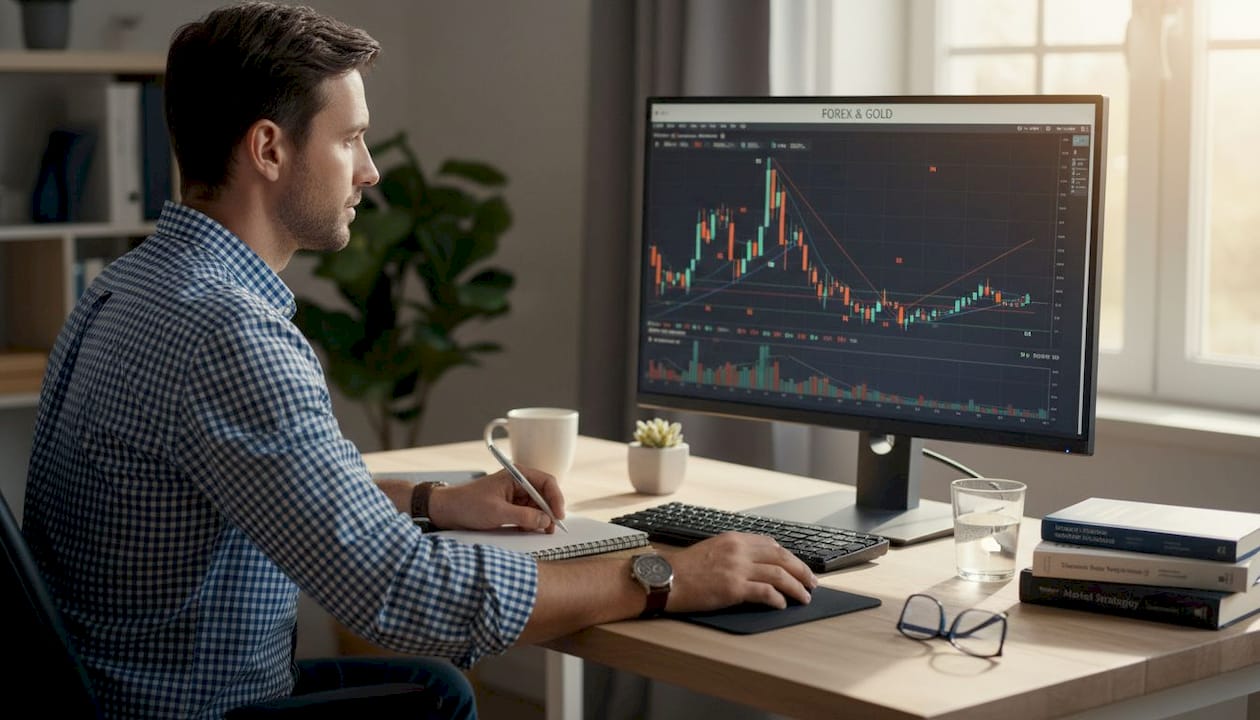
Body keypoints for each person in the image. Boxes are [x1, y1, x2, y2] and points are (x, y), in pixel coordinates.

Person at [22, 2, 817, 718]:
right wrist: (663, 575)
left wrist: (434, 501)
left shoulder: (130, 286)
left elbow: (253, 481)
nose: (369, 170)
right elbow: (396, 593)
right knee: (433, 699)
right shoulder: (229, 334)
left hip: (118, 689)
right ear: (268, 148)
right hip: (188, 711)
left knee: (435, 692)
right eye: (350, 139)